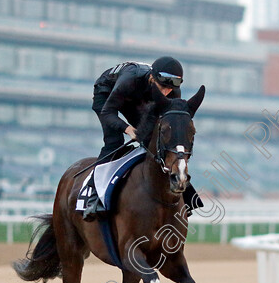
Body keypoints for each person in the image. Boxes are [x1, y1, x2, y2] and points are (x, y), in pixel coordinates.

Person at [83, 56, 202, 221]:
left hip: (139, 99)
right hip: (107, 94)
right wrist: (127, 128)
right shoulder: (130, 80)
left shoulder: (173, 91)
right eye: (162, 87)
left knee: (153, 142)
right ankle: (94, 196)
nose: (166, 93)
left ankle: (184, 194)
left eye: (169, 89)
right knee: (114, 142)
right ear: (152, 78)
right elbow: (108, 112)